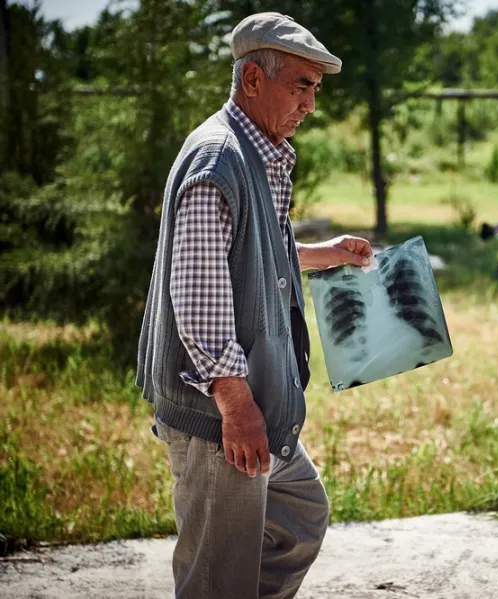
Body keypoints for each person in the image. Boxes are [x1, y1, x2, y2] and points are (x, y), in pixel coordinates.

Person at [135, 12, 373, 599]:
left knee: (298, 518)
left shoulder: (256, 151)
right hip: (223, 417)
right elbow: (197, 294)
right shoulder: (219, 160)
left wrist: (325, 254)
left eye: (316, 89)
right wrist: (236, 406)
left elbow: (248, 251)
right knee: (219, 578)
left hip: (258, 406)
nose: (311, 105)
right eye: (301, 86)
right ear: (252, 81)